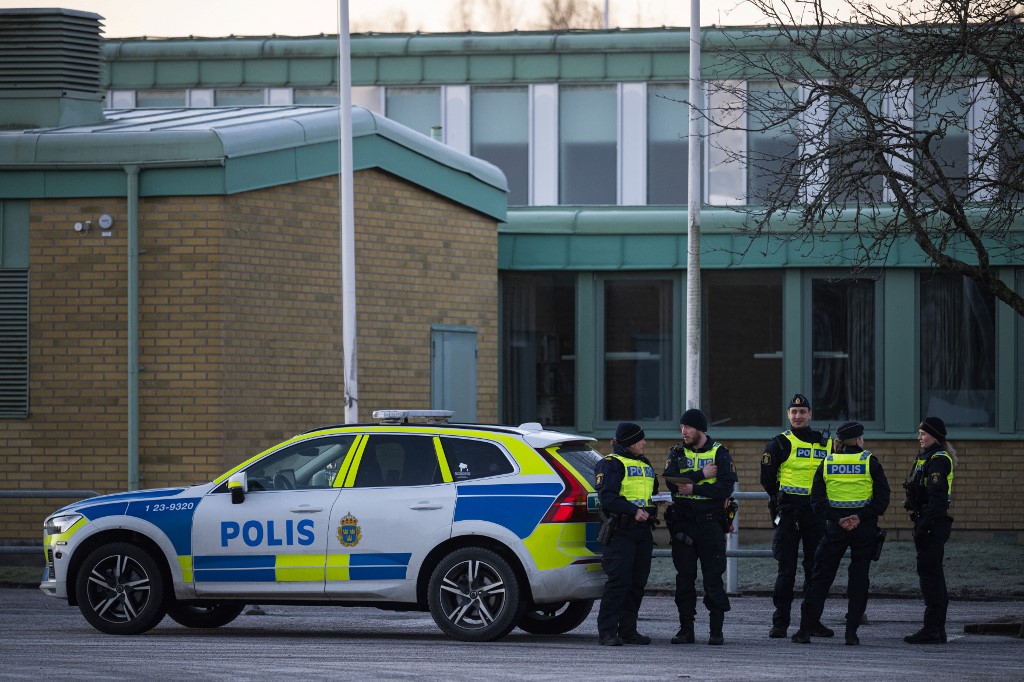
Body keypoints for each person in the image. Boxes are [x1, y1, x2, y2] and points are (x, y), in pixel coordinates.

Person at [791, 421, 890, 646]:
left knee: (821, 578)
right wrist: (860, 517)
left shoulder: (827, 462)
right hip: (863, 528)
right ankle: (851, 633)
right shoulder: (869, 462)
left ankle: (805, 630)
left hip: (836, 528)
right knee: (858, 579)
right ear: (858, 440)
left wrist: (838, 518)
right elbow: (882, 499)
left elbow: (816, 501)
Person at [759, 393, 835, 639]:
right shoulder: (779, 443)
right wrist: (781, 500)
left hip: (816, 514)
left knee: (816, 568)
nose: (798, 416)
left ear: (810, 414)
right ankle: (780, 623)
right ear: (788, 415)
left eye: (803, 412)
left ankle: (811, 622)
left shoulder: (827, 443)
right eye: (794, 412)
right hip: (790, 512)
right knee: (786, 570)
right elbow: (767, 479)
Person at [664, 408, 738, 646]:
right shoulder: (676, 452)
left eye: (687, 427)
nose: (683, 432)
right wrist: (700, 475)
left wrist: (694, 488)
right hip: (684, 524)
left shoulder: (720, 453)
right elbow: (670, 480)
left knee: (713, 578)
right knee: (684, 579)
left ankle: (716, 630)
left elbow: (725, 488)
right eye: (682, 427)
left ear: (700, 429)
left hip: (710, 524)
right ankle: (686, 629)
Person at [594, 421, 660, 646]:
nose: (644, 442)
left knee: (637, 583)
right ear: (630, 441)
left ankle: (628, 630)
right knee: (618, 582)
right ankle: (607, 632)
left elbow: (653, 492)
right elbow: (608, 498)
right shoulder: (611, 464)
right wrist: (634, 511)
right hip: (620, 531)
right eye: (640, 439)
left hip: (642, 532)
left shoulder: (644, 463)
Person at [903, 416, 956, 644]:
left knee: (930, 577)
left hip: (931, 525)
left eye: (923, 433)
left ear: (935, 435)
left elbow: (937, 500)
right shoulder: (927, 457)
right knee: (931, 574)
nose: (919, 437)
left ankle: (933, 629)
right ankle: (935, 628)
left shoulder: (937, 460)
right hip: (926, 522)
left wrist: (924, 527)